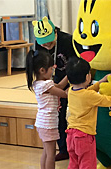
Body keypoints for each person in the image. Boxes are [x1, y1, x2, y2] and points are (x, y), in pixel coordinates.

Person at [64, 57, 111, 169]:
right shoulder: (89, 96)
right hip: (84, 137)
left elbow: (88, 91)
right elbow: (110, 100)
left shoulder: (71, 91)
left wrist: (100, 82)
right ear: (88, 76)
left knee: (72, 167)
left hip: (71, 135)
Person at [33, 16, 77, 161]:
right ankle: (64, 149)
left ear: (55, 33)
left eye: (49, 42)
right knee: (60, 114)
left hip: (73, 76)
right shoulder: (40, 44)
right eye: (43, 44)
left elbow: (75, 64)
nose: (45, 45)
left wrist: (63, 84)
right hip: (54, 80)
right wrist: (54, 85)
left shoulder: (67, 41)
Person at [26, 50, 68, 169]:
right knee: (51, 154)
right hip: (48, 124)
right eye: (51, 69)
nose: (53, 72)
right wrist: (79, 89)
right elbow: (64, 93)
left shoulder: (39, 83)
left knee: (46, 152)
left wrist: (69, 75)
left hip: (42, 123)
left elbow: (59, 86)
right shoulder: (46, 85)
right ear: (42, 70)